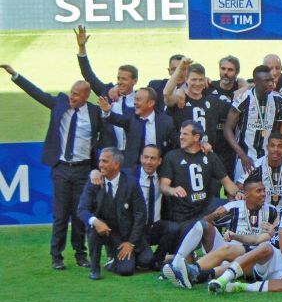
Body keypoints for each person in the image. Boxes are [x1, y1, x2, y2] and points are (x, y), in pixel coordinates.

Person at [1, 64, 100, 270]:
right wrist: (15, 75)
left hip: (83, 170)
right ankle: (57, 256)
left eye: (76, 94)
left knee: (80, 215)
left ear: (85, 96)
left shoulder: (95, 113)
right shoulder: (59, 104)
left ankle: (81, 255)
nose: (71, 97)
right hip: (62, 168)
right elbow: (36, 93)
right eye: (71, 92)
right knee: (60, 215)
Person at [162, 178, 280, 288]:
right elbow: (201, 225)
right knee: (202, 225)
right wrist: (215, 215)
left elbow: (276, 237)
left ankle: (188, 270)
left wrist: (273, 230)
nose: (263, 194)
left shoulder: (272, 211)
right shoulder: (233, 208)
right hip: (227, 248)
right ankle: (177, 264)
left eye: (264, 190)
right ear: (247, 193)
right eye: (259, 191)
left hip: (254, 257)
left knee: (224, 263)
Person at [78, 148, 148, 280]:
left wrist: (131, 243)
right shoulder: (94, 182)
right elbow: (81, 209)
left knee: (135, 266)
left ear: (116, 164)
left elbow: (140, 214)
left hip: (123, 236)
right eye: (100, 161)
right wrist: (95, 221)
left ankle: (113, 261)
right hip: (102, 232)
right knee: (93, 229)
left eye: (104, 161)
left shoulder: (131, 183)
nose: (100, 165)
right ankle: (94, 269)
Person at [159, 121, 241, 225]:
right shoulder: (172, 157)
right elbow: (163, 186)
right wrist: (172, 190)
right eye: (180, 133)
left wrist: (239, 194)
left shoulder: (210, 156)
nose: (181, 137)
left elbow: (227, 183)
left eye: (185, 134)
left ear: (196, 137)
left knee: (235, 208)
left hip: (206, 208)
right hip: (183, 213)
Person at [75, 26, 138, 151]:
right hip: (109, 153)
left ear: (134, 81)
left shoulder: (141, 97)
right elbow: (88, 75)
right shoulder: (107, 93)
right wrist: (82, 47)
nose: (119, 82)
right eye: (118, 78)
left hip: (132, 155)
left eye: (124, 79)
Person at [225, 65, 282, 181]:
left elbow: (276, 131)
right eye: (266, 81)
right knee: (244, 195)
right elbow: (227, 129)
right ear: (256, 82)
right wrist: (242, 155)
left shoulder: (278, 100)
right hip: (246, 159)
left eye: (271, 80)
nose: (270, 84)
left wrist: (281, 152)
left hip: (269, 158)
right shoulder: (243, 98)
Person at [98, 87, 177, 168]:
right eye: (134, 99)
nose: (134, 103)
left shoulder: (165, 121)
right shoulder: (131, 116)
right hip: (132, 169)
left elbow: (176, 144)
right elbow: (117, 119)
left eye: (138, 100)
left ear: (150, 103)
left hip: (157, 168)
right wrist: (107, 111)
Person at [164, 62, 232, 154]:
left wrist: (244, 84)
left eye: (201, 80)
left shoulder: (212, 101)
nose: (198, 83)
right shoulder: (179, 99)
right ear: (186, 79)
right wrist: (180, 68)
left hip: (207, 155)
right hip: (182, 155)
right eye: (194, 79)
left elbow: (235, 110)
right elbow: (166, 94)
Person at [240, 133, 282, 209]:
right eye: (272, 146)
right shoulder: (256, 166)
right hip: (262, 210)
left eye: (280, 146)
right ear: (267, 147)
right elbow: (240, 186)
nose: (275, 149)